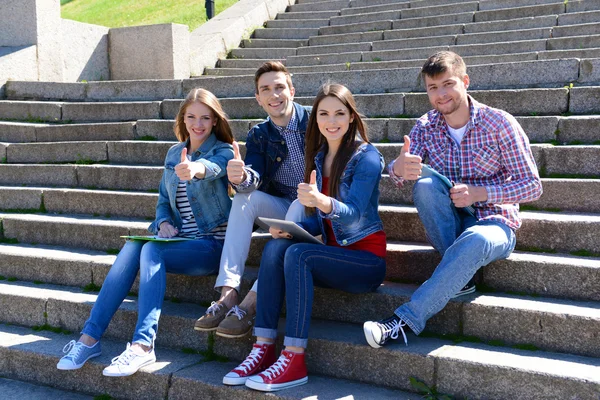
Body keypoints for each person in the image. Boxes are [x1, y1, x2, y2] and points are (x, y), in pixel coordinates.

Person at [363, 51, 543, 348]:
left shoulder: (499, 123)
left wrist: (480, 193)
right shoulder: (425, 125)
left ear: (465, 82)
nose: (441, 94)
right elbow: (400, 172)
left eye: (448, 84)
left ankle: (403, 321)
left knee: (476, 239)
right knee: (423, 183)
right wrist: (397, 167)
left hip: (494, 223)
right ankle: (461, 276)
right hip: (451, 223)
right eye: (433, 88)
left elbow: (533, 186)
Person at [56, 88, 234, 376]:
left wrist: (195, 169)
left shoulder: (224, 150)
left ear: (215, 120)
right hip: (177, 240)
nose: (197, 124)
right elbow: (164, 201)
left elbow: (213, 168)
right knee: (133, 246)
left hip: (211, 244)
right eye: (191, 117)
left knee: (151, 249)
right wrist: (163, 223)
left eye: (205, 118)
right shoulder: (174, 153)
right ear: (183, 119)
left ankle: (143, 345)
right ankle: (88, 339)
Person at [223, 83, 387, 392]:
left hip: (366, 262)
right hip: (332, 257)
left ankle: (294, 358)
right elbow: (319, 223)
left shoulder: (367, 157)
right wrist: (292, 229)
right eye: (324, 114)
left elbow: (352, 214)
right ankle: (263, 348)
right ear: (316, 120)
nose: (332, 121)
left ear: (351, 117)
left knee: (298, 255)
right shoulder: (319, 157)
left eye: (340, 113)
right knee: (277, 248)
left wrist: (321, 201)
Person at [194, 61, 310, 339]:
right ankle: (229, 294)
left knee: (298, 203)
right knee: (243, 198)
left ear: (292, 90)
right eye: (266, 90)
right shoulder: (260, 134)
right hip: (283, 206)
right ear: (258, 98)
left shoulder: (317, 121)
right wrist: (240, 177)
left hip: (316, 208)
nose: (274, 95)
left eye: (280, 87)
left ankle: (252, 302)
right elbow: (254, 176)